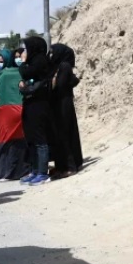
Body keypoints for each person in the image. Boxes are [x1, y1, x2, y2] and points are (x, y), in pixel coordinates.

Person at [0, 48, 30, 182]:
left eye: (2, 61)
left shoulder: (4, 76)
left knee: (7, 143)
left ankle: (6, 171)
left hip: (8, 115)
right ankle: (18, 170)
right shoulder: (19, 72)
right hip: (11, 113)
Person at [17, 37, 52, 187]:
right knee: (31, 137)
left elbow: (26, 73)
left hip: (39, 104)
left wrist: (24, 62)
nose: (24, 52)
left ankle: (43, 173)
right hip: (31, 103)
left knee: (39, 139)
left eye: (26, 48)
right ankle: (35, 170)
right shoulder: (34, 61)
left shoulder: (40, 61)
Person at [48, 43, 84, 177]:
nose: (51, 55)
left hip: (64, 104)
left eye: (53, 52)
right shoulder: (56, 67)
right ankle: (61, 166)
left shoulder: (64, 66)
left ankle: (70, 166)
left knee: (65, 134)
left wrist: (51, 83)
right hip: (57, 104)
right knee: (58, 135)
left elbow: (60, 86)